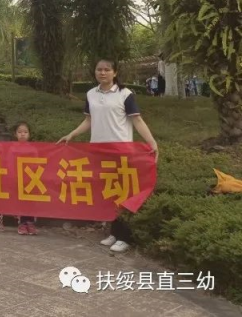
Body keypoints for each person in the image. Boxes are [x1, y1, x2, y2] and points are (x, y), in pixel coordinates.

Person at [58, 58, 158, 253]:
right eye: (99, 70)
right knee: (108, 193)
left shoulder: (125, 94)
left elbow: (137, 121)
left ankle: (124, 237)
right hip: (99, 152)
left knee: (122, 193)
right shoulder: (91, 94)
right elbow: (88, 120)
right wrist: (72, 134)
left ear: (115, 73)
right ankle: (113, 232)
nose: (102, 73)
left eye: (107, 70)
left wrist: (151, 142)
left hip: (121, 152)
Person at [13, 121, 37, 235]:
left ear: (29, 134)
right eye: (20, 132)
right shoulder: (12, 148)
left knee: (30, 201)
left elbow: (36, 163)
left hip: (30, 179)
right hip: (17, 178)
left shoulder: (33, 149)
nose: (22, 134)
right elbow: (10, 163)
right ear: (15, 134)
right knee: (20, 201)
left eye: (25, 132)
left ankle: (30, 222)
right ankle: (22, 223)